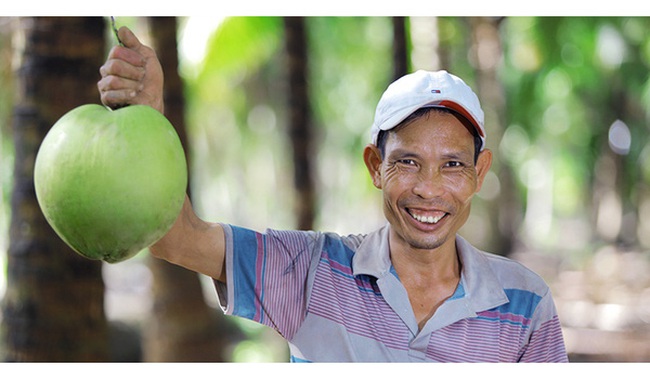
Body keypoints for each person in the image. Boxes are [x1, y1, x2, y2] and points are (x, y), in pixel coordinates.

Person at [98, 26, 569, 363]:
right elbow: (175, 238)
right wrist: (151, 118)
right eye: (406, 161)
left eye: (452, 165)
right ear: (375, 166)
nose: (428, 189)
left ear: (479, 173)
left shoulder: (525, 305)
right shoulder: (310, 270)